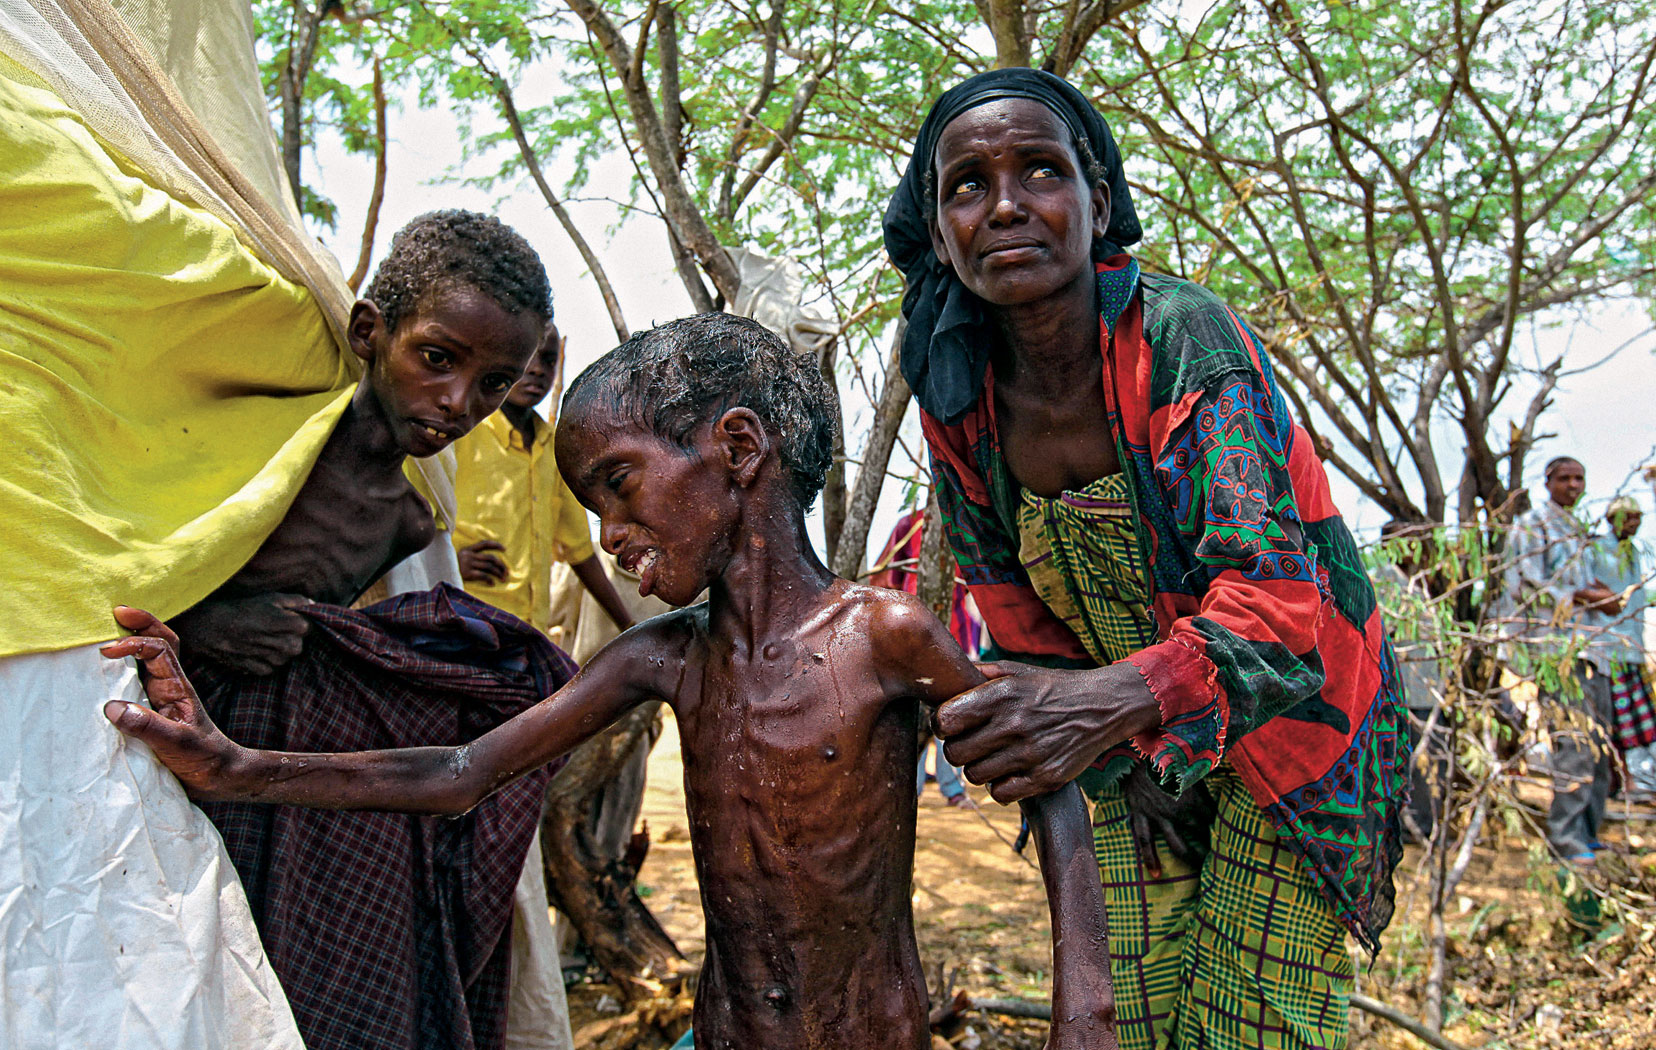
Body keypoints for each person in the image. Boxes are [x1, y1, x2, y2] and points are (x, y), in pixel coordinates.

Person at [103, 313, 1120, 1050]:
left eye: (620, 487)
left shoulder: (885, 636)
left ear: (736, 448)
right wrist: (241, 768)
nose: (609, 536)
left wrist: (1085, 1008)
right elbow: (461, 769)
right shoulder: (663, 657)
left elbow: (1051, 788)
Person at [883, 69, 1409, 1049]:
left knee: (1254, 1019)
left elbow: (1277, 603)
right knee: (1135, 1002)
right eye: (965, 185)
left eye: (1040, 170)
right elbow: (1011, 605)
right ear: (939, 227)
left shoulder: (1179, 338)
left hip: (1298, 719)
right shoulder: (955, 388)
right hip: (1123, 742)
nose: (1004, 205)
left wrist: (1114, 707)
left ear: (1100, 202)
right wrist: (1125, 753)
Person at [162, 210, 576, 1050]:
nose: (459, 401)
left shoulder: (405, 522)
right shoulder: (262, 444)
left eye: (494, 382)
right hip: (173, 744)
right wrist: (205, 624)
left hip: (278, 762)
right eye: (436, 358)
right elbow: (128, 577)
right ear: (368, 332)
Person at [452, 320, 635, 637]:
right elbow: (412, 515)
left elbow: (581, 554)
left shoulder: (554, 448)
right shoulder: (463, 432)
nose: (537, 370)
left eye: (548, 360)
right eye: (527, 359)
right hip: (461, 621)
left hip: (526, 633)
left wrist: (628, 626)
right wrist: (450, 563)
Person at [1506, 456, 1620, 863]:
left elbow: (1589, 585)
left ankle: (1589, 832)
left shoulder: (1577, 532)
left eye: (1580, 478)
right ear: (1548, 481)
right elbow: (1525, 584)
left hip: (1595, 652)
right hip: (1560, 655)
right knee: (1573, 744)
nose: (1574, 485)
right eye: (1566, 478)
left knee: (1598, 747)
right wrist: (1584, 598)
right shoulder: (1532, 526)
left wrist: (1602, 596)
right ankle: (1565, 838)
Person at [871, 507, 983, 807]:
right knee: (910, 712)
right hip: (909, 642)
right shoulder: (909, 524)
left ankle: (952, 788)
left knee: (955, 714)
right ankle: (911, 788)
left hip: (957, 636)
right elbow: (886, 581)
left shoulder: (966, 523)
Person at [1376, 521, 1453, 841]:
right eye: (1403, 541)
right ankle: (1409, 827)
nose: (1412, 548)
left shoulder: (1419, 583)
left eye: (1416, 541)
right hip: (1401, 691)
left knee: (1428, 761)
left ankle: (1425, 825)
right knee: (1405, 761)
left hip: (1426, 692)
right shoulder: (1383, 580)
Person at [1594, 496, 1655, 798]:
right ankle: (1623, 780)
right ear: (1611, 520)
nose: (1634, 522)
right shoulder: (1596, 550)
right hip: (1608, 651)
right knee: (1617, 722)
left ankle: (1631, 780)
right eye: (1627, 517)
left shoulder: (1633, 552)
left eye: (1637, 517)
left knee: (1638, 722)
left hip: (1632, 651)